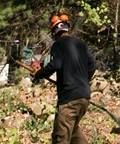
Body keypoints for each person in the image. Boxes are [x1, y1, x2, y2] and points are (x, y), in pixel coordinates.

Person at [32, 13, 96, 144]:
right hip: (84, 96)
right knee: (73, 133)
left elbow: (55, 64)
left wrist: (39, 74)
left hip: (69, 99)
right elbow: (92, 65)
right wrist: (83, 81)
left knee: (60, 138)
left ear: (54, 33)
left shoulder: (58, 45)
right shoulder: (80, 44)